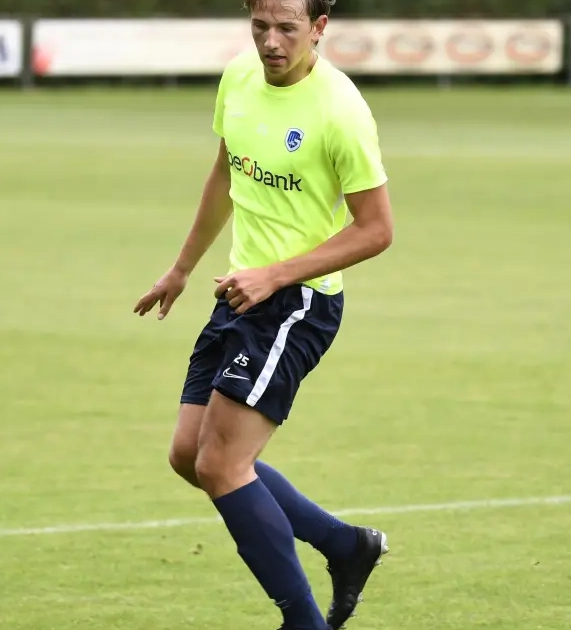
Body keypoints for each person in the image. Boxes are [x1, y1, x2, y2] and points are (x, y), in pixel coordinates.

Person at [133, 0, 394, 628]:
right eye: (260, 27)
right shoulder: (239, 77)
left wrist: (275, 274)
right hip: (240, 292)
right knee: (188, 455)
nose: (271, 42)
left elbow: (377, 230)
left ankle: (303, 622)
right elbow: (227, 172)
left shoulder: (340, 111)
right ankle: (343, 545)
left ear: (319, 28)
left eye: (287, 29)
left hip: (298, 302)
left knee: (222, 465)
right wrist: (182, 267)